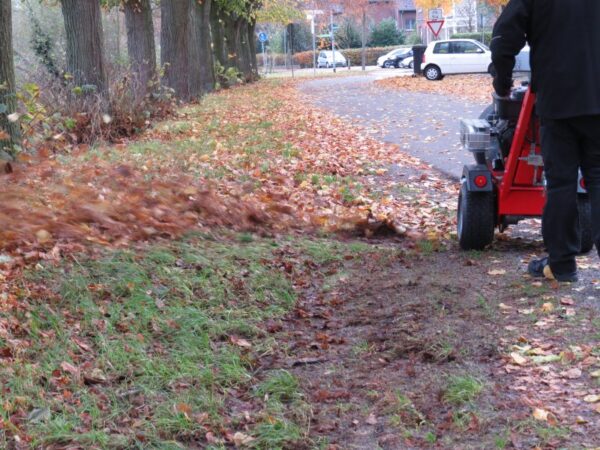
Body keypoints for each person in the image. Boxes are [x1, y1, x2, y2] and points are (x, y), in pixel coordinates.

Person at [491, 0, 600, 282]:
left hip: (558, 98)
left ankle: (562, 265)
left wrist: (502, 83)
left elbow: (504, 36)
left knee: (561, 182)